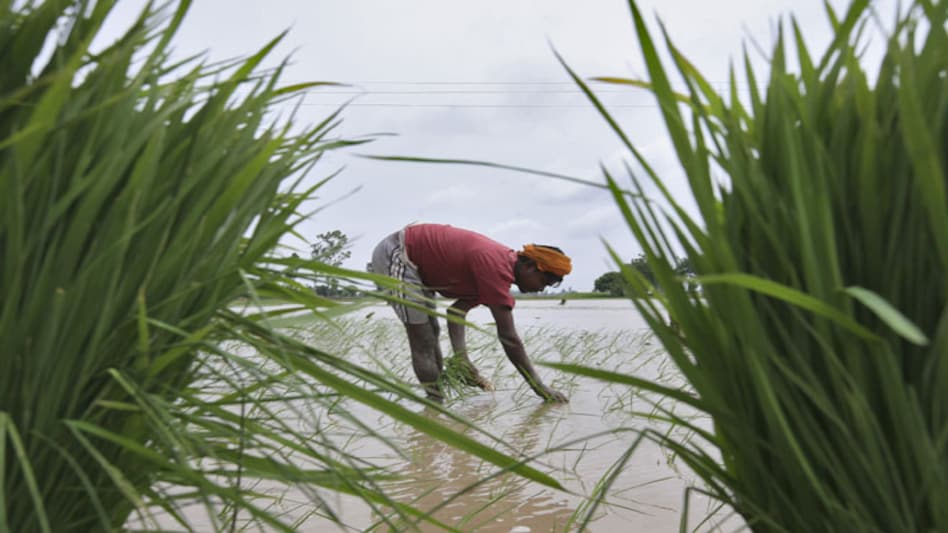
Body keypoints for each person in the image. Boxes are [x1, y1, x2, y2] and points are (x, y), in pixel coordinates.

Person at [368, 223, 571, 403]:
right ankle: (435, 403)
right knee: (423, 337)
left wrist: (462, 358)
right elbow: (509, 338)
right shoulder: (495, 267)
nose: (541, 288)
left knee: (433, 331)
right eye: (543, 282)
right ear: (529, 266)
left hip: (418, 265)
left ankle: (437, 404)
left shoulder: (495, 272)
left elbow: (456, 313)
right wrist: (539, 387)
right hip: (399, 252)